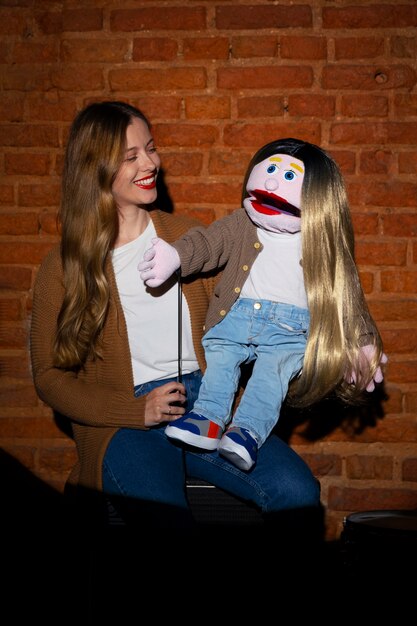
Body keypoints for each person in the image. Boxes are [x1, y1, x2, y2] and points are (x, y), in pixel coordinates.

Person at [30, 103, 322, 540]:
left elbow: (254, 313)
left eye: (150, 148)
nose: (150, 164)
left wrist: (323, 347)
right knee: (170, 529)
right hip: (125, 420)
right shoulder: (63, 266)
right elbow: (50, 378)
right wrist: (136, 410)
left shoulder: (188, 236)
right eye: (131, 157)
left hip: (208, 399)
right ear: (96, 167)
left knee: (297, 492)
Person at [139, 138, 387, 472]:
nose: (271, 181)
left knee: (271, 377)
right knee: (222, 362)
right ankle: (207, 420)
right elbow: (207, 243)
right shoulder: (241, 223)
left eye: (287, 177)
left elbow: (346, 296)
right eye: (270, 169)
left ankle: (246, 434)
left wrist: (361, 340)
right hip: (234, 317)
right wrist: (177, 256)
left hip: (290, 331)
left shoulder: (321, 243)